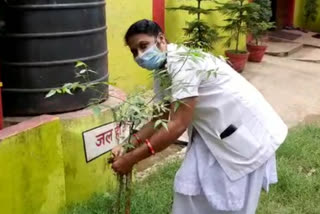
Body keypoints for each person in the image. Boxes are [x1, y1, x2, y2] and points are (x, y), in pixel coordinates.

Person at [111, 19, 288, 214]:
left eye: (143, 46)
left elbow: (177, 124)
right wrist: (127, 146)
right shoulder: (162, 71)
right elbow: (159, 118)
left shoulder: (183, 64)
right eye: (134, 51)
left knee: (233, 203)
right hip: (212, 133)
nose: (140, 55)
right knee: (188, 190)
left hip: (244, 134)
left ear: (161, 39)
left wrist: (132, 159)